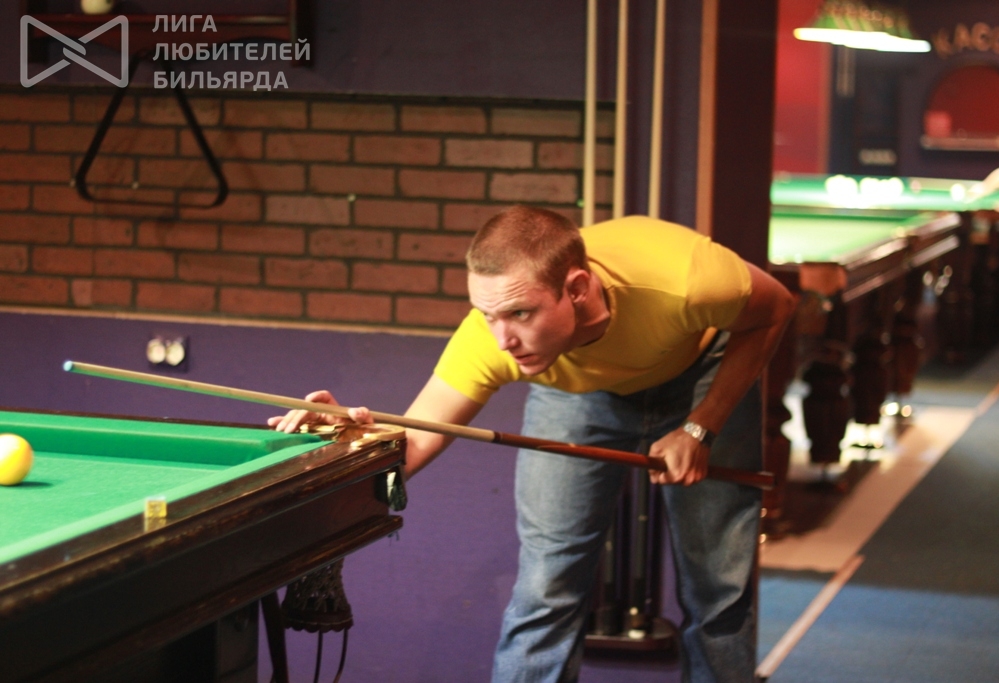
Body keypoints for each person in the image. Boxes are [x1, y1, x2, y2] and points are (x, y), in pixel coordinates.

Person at [270, 205, 796, 683]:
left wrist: (702, 426)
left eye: (520, 313)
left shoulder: (688, 280)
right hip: (575, 391)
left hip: (700, 370)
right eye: (487, 315)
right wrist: (344, 441)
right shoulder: (495, 340)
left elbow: (776, 308)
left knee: (718, 586)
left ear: (577, 288)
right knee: (547, 583)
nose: (503, 339)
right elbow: (413, 446)